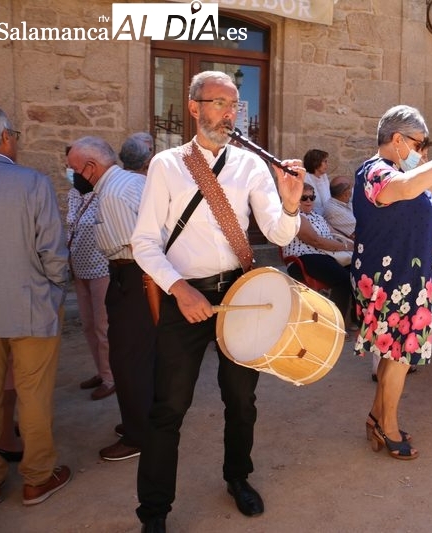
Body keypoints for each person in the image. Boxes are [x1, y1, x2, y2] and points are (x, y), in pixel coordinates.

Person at [131, 70, 304, 530]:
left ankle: (238, 477)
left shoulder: (250, 166)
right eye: (219, 103)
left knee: (242, 400)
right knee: (168, 408)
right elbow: (144, 243)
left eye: (235, 105)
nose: (229, 113)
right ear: (194, 108)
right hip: (183, 295)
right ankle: (153, 511)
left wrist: (289, 202)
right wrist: (178, 288)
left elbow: (277, 233)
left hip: (238, 295)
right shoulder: (166, 165)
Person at [352, 104, 432, 460]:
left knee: (398, 354)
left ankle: (376, 418)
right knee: (398, 355)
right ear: (397, 140)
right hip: (393, 280)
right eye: (419, 144)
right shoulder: (377, 172)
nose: (422, 151)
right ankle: (387, 426)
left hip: (409, 279)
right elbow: (407, 188)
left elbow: (423, 189)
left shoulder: (398, 172)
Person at [0, 107, 72, 505]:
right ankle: (37, 476)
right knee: (34, 394)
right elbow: (53, 250)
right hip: (30, 305)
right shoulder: (31, 182)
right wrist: (56, 290)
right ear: (5, 137)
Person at [67, 136, 155, 463]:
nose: (72, 175)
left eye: (74, 169)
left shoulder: (114, 194)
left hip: (131, 275)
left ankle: (138, 435)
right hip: (138, 278)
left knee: (127, 359)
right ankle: (142, 422)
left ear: (91, 167)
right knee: (140, 356)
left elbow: (135, 245)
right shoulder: (130, 181)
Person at [66, 150, 113, 401]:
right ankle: (101, 370)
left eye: (74, 168)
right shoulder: (74, 194)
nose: (72, 173)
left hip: (100, 268)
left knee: (102, 326)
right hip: (79, 267)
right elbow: (71, 225)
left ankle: (110, 378)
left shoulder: (104, 193)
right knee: (87, 325)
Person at [283, 182, 354, 331]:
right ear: (295, 199)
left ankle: (355, 318)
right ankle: (333, 327)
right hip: (304, 258)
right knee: (344, 279)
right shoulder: (296, 217)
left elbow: (335, 233)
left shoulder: (317, 216)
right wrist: (347, 247)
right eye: (304, 198)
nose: (309, 201)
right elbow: (316, 241)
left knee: (358, 271)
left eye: (312, 197)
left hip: (324, 256)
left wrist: (355, 243)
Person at [303, 149, 331, 216]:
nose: (327, 164)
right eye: (325, 161)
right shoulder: (305, 178)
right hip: (311, 217)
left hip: (327, 216)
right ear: (316, 162)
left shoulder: (324, 177)